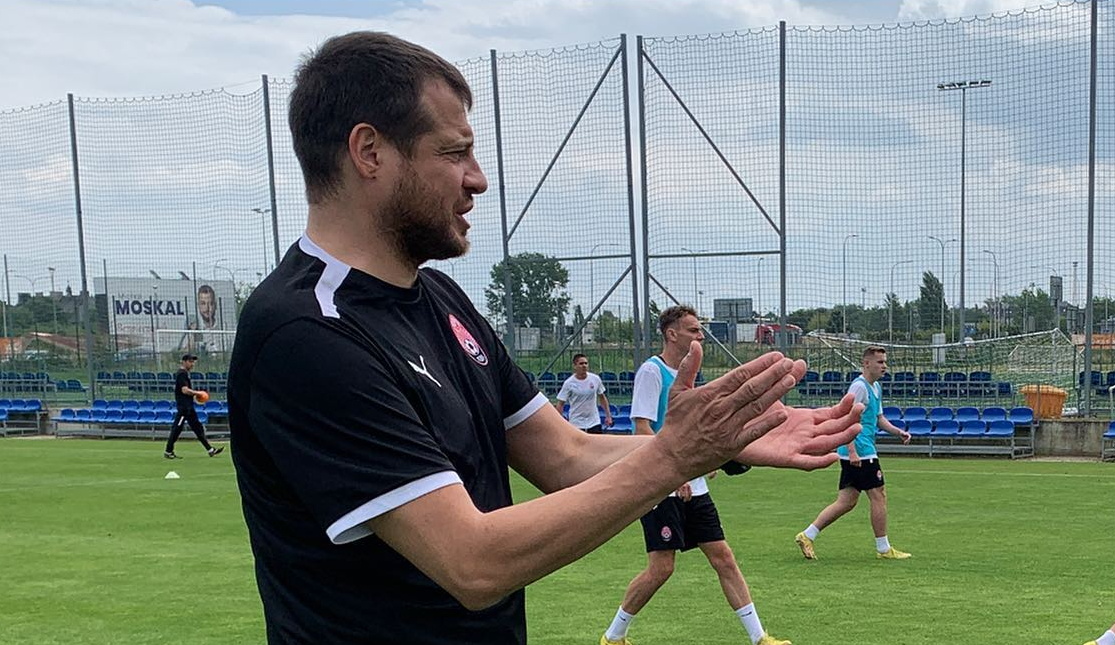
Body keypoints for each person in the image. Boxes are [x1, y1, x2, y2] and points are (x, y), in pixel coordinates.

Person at [227, 31, 863, 645]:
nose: (478, 179)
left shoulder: (441, 300)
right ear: (369, 152)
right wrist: (673, 457)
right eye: (453, 153)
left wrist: (722, 442)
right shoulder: (307, 334)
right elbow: (471, 562)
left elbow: (565, 456)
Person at [600, 306, 788, 645]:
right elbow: (641, 429)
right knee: (662, 568)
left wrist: (704, 460)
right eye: (693, 330)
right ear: (672, 334)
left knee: (724, 558)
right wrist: (675, 474)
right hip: (661, 486)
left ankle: (759, 638)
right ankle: (614, 636)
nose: (701, 335)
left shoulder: (689, 376)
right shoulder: (652, 371)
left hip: (694, 487)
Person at [794, 345, 912, 561]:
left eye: (885, 362)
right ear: (866, 363)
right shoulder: (858, 387)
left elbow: (878, 418)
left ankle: (807, 535)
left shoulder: (875, 387)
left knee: (847, 501)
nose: (885, 366)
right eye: (880, 362)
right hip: (861, 450)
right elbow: (845, 419)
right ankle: (883, 548)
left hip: (859, 449)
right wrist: (852, 450)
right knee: (879, 495)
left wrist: (898, 432)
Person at [164, 353, 223, 459]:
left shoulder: (185, 374)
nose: (192, 364)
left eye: (193, 362)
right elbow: (184, 390)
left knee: (198, 428)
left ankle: (210, 450)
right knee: (177, 428)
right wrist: (198, 393)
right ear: (184, 362)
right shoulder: (182, 373)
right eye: (190, 361)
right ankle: (168, 451)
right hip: (183, 408)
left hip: (189, 407)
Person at [554, 354, 612, 433]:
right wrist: (559, 422)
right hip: (576, 423)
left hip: (594, 422)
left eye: (586, 363)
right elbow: (560, 404)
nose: (584, 366)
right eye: (581, 364)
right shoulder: (569, 383)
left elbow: (602, 397)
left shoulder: (595, 379)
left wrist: (608, 416)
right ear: (575, 366)